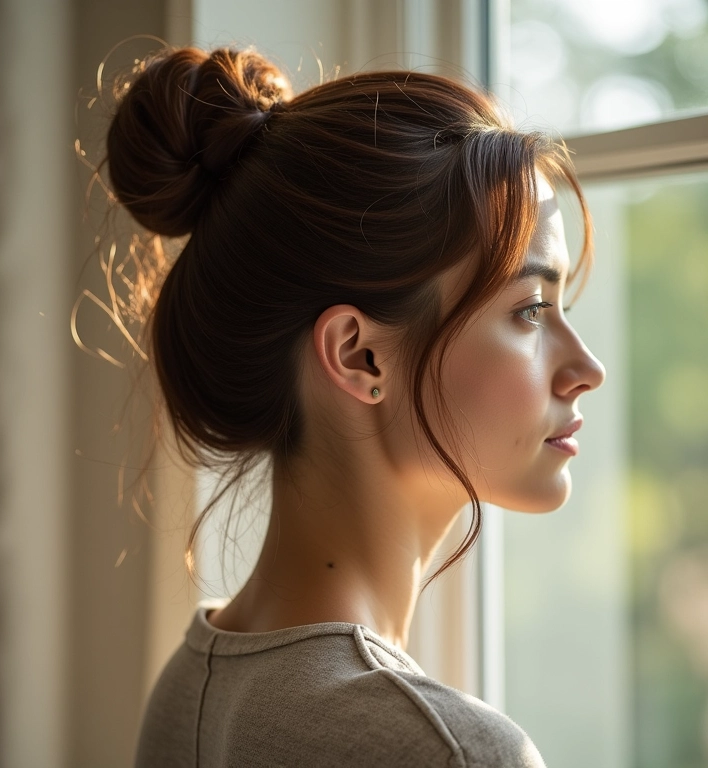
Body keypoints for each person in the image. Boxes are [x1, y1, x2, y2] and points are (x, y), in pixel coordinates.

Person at [103, 44, 605, 767]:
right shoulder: (452, 752)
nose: (588, 369)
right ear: (359, 356)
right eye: (529, 309)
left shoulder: (190, 689)